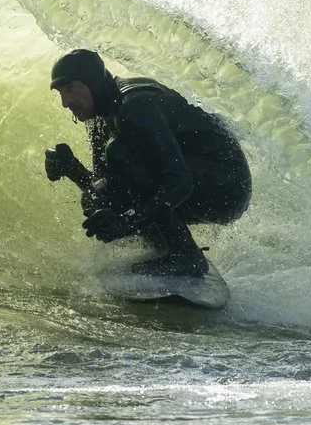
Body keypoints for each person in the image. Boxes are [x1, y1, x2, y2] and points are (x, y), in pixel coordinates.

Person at [43, 48, 251, 278]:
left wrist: (126, 222)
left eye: (71, 88)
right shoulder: (99, 116)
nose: (65, 102)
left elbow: (179, 182)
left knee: (119, 154)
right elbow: (108, 186)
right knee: (101, 197)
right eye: (61, 92)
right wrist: (72, 169)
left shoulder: (133, 108)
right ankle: (166, 245)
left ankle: (186, 256)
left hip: (227, 186)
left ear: (92, 82)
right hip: (192, 177)